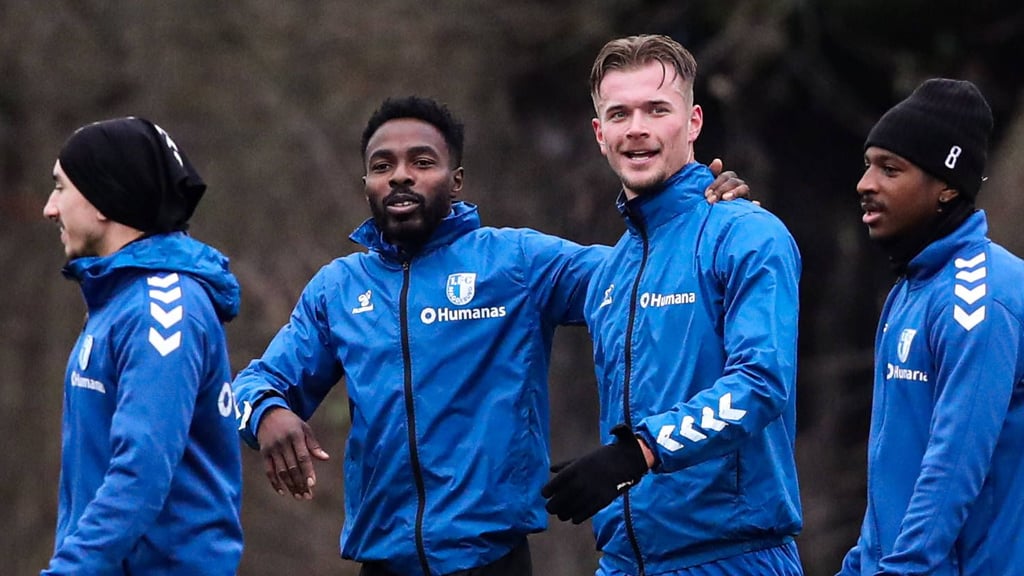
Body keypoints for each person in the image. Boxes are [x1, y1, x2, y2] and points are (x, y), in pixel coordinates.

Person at [231, 96, 748, 576]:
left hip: (491, 560)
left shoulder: (515, 263)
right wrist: (267, 412)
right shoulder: (338, 289)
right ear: (366, 182)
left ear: (455, 181)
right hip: (381, 562)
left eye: (422, 162)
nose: (401, 177)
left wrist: (702, 215)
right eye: (382, 166)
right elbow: (249, 387)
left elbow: (641, 277)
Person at [541, 34, 804, 576]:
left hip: (733, 557)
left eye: (656, 109)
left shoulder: (749, 235)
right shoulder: (610, 271)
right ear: (600, 133)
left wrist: (641, 451)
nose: (636, 128)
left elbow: (760, 384)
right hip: (623, 562)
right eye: (619, 113)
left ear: (693, 123)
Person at [836, 79, 1024, 575]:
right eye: (868, 163)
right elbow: (895, 472)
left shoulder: (980, 296)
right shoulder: (912, 288)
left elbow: (953, 465)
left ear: (946, 186)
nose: (865, 183)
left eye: (890, 169)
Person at [41, 117, 244, 575]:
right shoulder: (118, 301)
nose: (50, 208)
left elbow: (141, 473)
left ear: (102, 200)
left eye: (60, 187)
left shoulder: (162, 307)